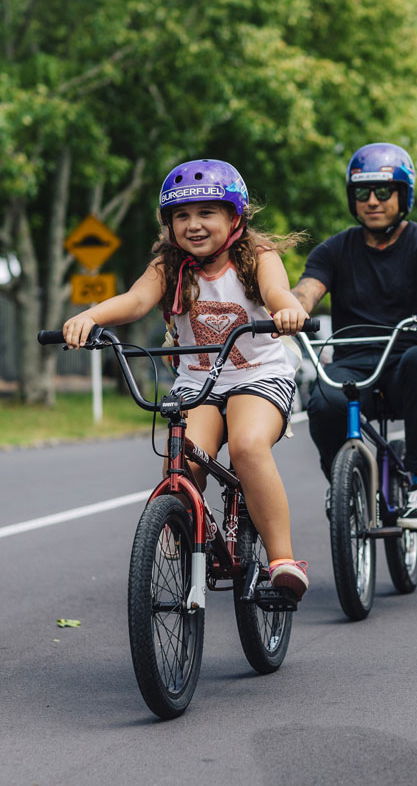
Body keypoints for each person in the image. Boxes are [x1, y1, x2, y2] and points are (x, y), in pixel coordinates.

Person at [62, 159, 312, 599]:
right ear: (169, 224)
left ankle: (282, 561)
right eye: (182, 216)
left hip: (258, 375)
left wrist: (286, 309)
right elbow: (137, 300)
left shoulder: (257, 258)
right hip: (198, 382)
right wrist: (91, 316)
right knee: (185, 459)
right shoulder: (170, 267)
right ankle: (184, 527)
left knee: (247, 446)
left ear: (234, 217)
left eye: (206, 213)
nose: (193, 225)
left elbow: (276, 293)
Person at [291, 142, 417, 530]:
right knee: (323, 398)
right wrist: (290, 310)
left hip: (409, 357)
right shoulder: (333, 250)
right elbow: (307, 291)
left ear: (403, 195)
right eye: (362, 192)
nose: (372, 201)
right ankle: (344, 483)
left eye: (383, 192)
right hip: (355, 359)